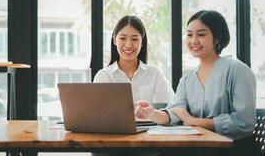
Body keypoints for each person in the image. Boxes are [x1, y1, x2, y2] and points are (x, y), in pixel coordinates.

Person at [135, 10, 261, 156]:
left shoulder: (238, 70)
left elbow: (243, 122)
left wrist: (194, 121)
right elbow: (175, 112)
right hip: (201, 148)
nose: (193, 40)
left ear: (217, 38)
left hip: (233, 149)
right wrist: (151, 113)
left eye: (201, 34)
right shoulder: (187, 79)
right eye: (189, 34)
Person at [93, 15, 174, 105]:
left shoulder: (154, 73)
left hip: (149, 119)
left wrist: (153, 113)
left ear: (142, 42)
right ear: (114, 40)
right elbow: (97, 112)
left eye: (134, 39)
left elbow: (172, 106)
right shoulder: (104, 76)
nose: (128, 44)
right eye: (123, 38)